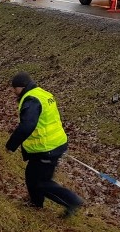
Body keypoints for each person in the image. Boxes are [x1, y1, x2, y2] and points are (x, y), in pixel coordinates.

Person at [6, 72, 84, 216]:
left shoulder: (31, 100)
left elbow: (27, 126)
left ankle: (72, 200)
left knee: (41, 182)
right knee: (31, 175)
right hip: (53, 143)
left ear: (21, 87)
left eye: (14, 88)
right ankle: (35, 204)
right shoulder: (42, 93)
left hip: (47, 148)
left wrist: (11, 145)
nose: (13, 91)